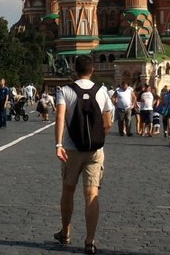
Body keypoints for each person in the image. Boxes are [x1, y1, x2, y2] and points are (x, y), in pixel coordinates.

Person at [54, 55, 112, 255]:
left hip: (71, 149)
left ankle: (66, 232)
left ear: (74, 70)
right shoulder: (102, 91)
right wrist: (98, 137)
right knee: (92, 195)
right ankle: (90, 240)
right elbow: (108, 122)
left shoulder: (65, 91)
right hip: (95, 150)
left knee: (68, 191)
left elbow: (60, 117)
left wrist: (59, 144)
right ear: (92, 70)